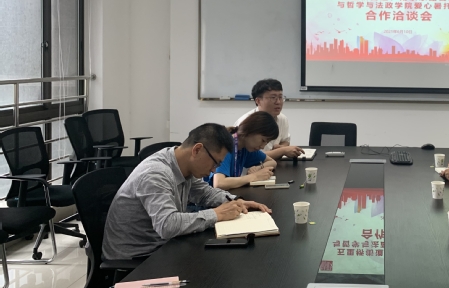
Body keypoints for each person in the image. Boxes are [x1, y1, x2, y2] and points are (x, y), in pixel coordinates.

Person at [103, 123, 271, 260]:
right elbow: (167, 225)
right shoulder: (155, 174)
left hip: (162, 245)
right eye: (215, 163)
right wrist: (217, 214)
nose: (214, 170)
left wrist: (235, 201)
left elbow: (205, 193)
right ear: (197, 150)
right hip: (137, 257)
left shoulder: (183, 165)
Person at [235, 78, 304, 161]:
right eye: (273, 97)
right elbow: (251, 157)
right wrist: (282, 150)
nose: (278, 102)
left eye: (280, 97)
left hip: (271, 163)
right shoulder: (247, 122)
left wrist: (281, 147)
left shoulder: (282, 118)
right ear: (258, 101)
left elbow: (285, 141)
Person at [208, 111, 279, 190]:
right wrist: (254, 176)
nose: (262, 146)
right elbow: (219, 183)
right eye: (263, 140)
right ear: (251, 130)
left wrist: (259, 168)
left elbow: (272, 162)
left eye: (266, 143)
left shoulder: (246, 147)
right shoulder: (225, 145)